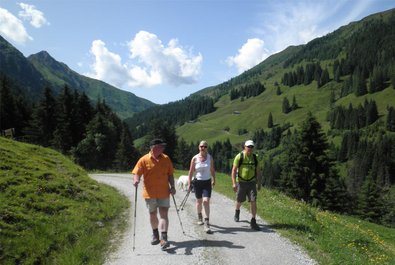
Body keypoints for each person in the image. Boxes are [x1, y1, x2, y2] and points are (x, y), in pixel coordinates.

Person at [132, 138, 176, 249]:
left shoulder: (166, 159)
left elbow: (170, 174)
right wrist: (136, 180)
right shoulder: (143, 160)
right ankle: (155, 234)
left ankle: (164, 238)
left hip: (164, 192)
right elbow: (136, 173)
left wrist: (173, 186)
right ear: (154, 147)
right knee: (152, 214)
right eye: (161, 146)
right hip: (149, 193)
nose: (163, 148)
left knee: (164, 214)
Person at [231, 140, 261, 231]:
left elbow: (258, 171)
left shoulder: (255, 158)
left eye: (251, 147)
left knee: (253, 200)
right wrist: (234, 183)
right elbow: (233, 170)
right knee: (239, 200)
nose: (250, 149)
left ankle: (253, 220)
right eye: (248, 147)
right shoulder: (239, 156)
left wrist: (259, 183)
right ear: (244, 147)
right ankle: (237, 211)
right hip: (241, 182)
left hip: (252, 182)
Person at [188, 140, 216, 234]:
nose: (203, 148)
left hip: (207, 182)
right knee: (199, 201)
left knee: (206, 201)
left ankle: (207, 222)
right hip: (197, 183)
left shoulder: (210, 158)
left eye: (205, 146)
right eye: (201, 146)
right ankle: (200, 215)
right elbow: (191, 171)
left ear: (207, 148)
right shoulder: (194, 158)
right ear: (199, 147)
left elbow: (212, 169)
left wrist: (213, 179)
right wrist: (189, 183)